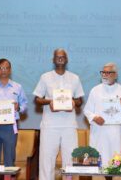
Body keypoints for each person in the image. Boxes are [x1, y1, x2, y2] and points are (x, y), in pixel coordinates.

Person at [33, 48, 84, 180]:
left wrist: (73, 102)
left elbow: (80, 100)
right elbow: (37, 99)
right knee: (46, 160)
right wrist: (49, 102)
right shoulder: (45, 77)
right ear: (53, 59)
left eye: (63, 56)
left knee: (71, 161)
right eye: (57, 56)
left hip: (69, 126)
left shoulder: (75, 78)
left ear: (66, 60)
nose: (60, 58)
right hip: (50, 125)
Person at [84, 62, 121, 167]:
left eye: (108, 73)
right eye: (103, 72)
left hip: (117, 135)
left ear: (115, 75)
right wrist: (95, 117)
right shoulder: (95, 90)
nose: (104, 75)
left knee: (119, 167)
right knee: (99, 169)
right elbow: (87, 110)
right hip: (100, 135)